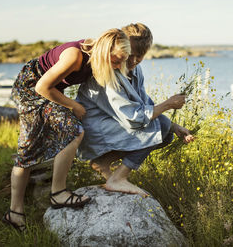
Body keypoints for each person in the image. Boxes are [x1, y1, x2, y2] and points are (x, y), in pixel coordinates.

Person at [3, 28, 131, 232]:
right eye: (115, 60)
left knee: (33, 149)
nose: (117, 66)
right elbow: (42, 87)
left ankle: (15, 213)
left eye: (121, 61)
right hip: (30, 89)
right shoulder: (75, 56)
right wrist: (73, 106)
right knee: (71, 132)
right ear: (103, 51)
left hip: (47, 90)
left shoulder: (98, 60)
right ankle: (57, 193)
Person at [76, 23, 194, 196]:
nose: (131, 61)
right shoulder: (110, 70)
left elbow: (143, 103)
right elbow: (135, 119)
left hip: (115, 122)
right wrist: (168, 104)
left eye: (139, 57)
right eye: (129, 55)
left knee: (166, 132)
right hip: (95, 128)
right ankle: (118, 179)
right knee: (159, 127)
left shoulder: (135, 70)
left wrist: (174, 126)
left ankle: (102, 162)